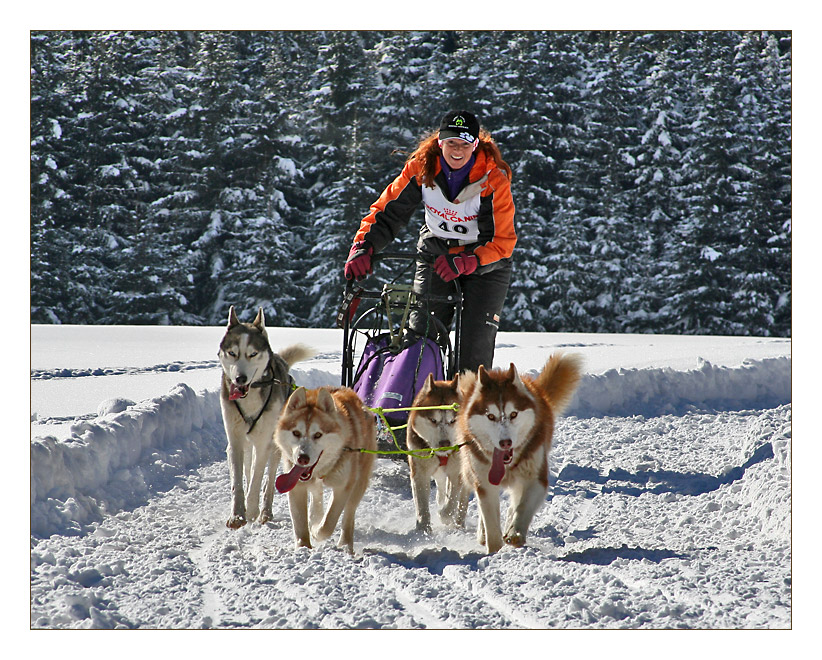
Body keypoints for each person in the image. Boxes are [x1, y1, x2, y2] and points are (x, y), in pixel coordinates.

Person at [343, 109, 516, 373]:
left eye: (464, 144)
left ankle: (466, 407)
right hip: (437, 251)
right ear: (439, 143)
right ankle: (421, 404)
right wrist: (363, 247)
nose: (457, 150)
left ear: (475, 145)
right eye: (451, 143)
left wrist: (470, 259)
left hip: (484, 262)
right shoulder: (421, 168)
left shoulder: (492, 179)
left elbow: (503, 241)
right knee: (422, 339)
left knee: (474, 349)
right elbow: (387, 212)